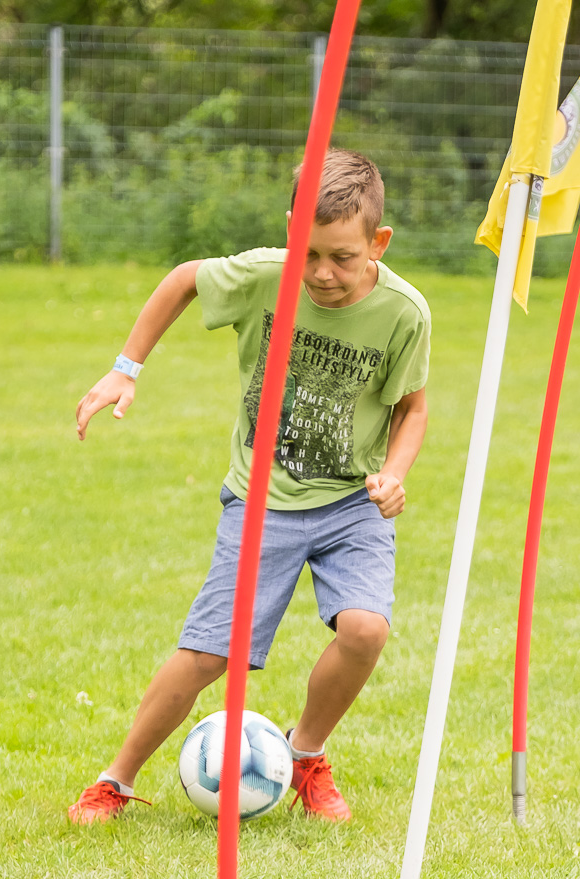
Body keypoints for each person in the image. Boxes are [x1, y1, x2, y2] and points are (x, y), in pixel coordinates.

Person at [66, 149, 431, 824]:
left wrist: (395, 476)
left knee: (365, 630)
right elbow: (183, 279)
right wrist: (125, 368)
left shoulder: (404, 313)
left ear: (378, 243)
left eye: (343, 257)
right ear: (291, 230)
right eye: (308, 252)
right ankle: (115, 779)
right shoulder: (266, 276)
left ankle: (305, 754)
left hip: (352, 503)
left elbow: (412, 408)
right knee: (209, 654)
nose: (322, 272)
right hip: (263, 500)